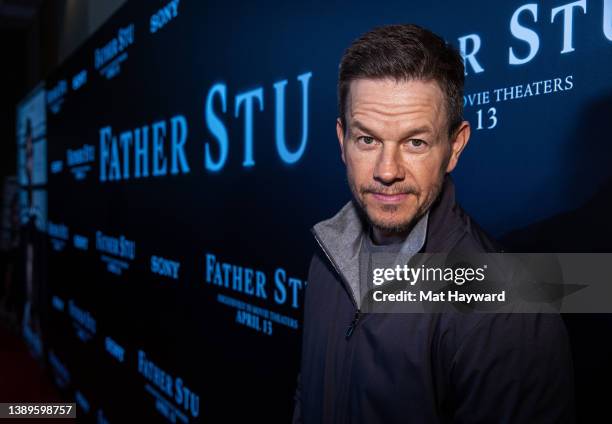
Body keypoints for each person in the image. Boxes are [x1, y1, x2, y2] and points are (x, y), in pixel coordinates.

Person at [292, 24, 574, 423]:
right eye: (367, 140)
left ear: (454, 147)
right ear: (342, 141)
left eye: (415, 142)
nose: (387, 171)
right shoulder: (326, 261)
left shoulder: (509, 312)